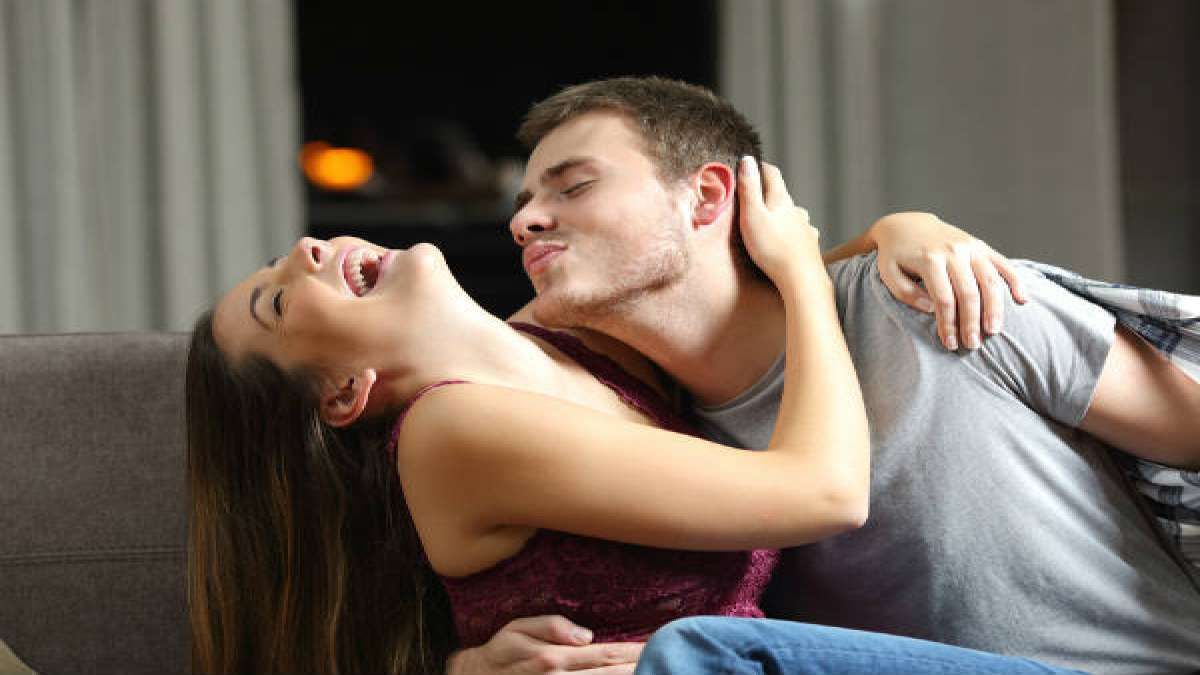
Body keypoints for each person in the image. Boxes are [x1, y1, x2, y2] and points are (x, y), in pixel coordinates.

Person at [186, 142, 1072, 672]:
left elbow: (724, 311)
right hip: (716, 663)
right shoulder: (450, 432)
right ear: (345, 391)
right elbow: (827, 492)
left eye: (281, 258)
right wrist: (805, 273)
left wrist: (893, 233)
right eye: (277, 300)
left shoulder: (553, 337)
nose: (304, 248)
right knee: (693, 656)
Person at [452, 77, 1200, 675]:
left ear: (707, 196)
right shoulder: (642, 426)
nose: (525, 222)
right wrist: (465, 664)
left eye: (574, 186)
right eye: (525, 204)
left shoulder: (934, 295)